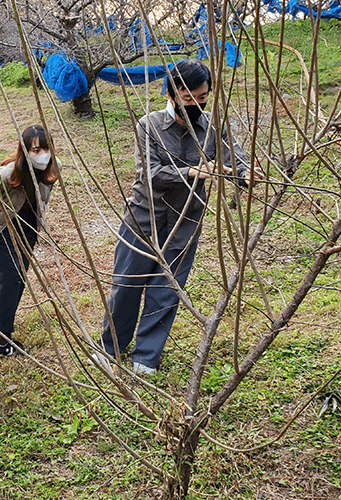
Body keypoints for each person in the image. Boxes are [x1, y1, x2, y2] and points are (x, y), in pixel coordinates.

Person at [99, 58, 260, 375]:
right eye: (189, 99)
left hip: (185, 224)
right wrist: (195, 172)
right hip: (144, 221)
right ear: (171, 95)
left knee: (166, 293)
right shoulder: (149, 126)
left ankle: (145, 357)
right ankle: (111, 348)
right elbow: (151, 174)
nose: (197, 105)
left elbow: (235, 159)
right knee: (126, 288)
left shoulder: (214, 128)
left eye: (202, 98)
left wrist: (246, 174)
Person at [0, 125, 58, 356]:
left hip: (29, 228)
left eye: (45, 148)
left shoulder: (53, 167)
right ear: (24, 150)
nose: (41, 154)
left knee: (19, 279)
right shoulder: (7, 173)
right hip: (5, 230)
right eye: (35, 149)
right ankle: (4, 341)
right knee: (9, 280)